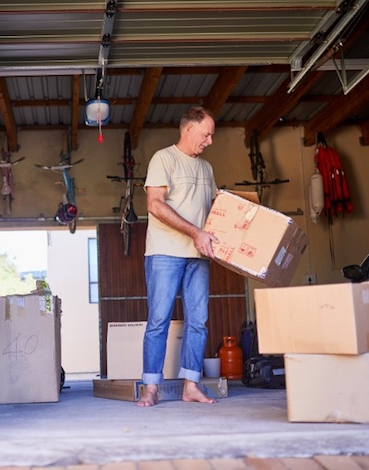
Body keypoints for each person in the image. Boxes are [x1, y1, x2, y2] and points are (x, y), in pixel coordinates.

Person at [137, 106, 219, 407]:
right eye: (206, 134)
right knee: (159, 320)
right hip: (165, 252)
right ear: (189, 129)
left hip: (199, 255)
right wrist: (195, 232)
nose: (209, 141)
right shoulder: (164, 158)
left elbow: (215, 211)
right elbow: (155, 205)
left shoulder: (206, 169)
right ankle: (151, 388)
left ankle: (191, 386)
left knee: (198, 321)